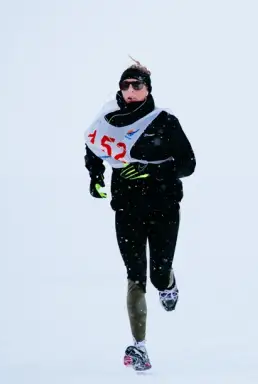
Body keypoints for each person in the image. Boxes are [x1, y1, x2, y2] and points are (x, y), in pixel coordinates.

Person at [83, 61, 196, 373]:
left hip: (164, 207)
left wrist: (153, 168)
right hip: (127, 208)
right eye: (126, 86)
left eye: (138, 86)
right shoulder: (107, 121)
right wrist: (94, 176)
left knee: (159, 275)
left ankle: (169, 284)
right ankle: (139, 347)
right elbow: (93, 148)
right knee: (136, 275)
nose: (131, 92)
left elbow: (188, 164)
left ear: (148, 89)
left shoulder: (164, 121)